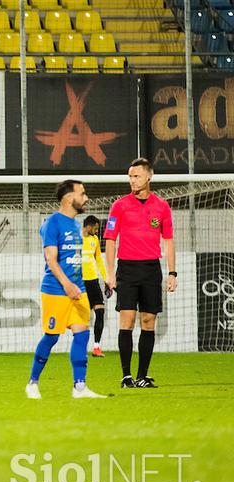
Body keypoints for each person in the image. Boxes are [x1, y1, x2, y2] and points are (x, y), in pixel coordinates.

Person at [26, 179, 105, 399]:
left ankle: (80, 387)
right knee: (51, 337)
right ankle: (32, 383)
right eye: (82, 193)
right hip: (56, 290)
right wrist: (67, 284)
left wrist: (77, 285)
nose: (86, 198)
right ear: (70, 198)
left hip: (77, 291)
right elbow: (51, 260)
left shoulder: (75, 225)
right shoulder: (52, 224)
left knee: (82, 335)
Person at [103, 157, 176, 389]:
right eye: (130, 176)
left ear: (148, 176)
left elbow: (169, 241)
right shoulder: (119, 205)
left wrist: (172, 272)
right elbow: (110, 240)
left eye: (136, 176)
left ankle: (143, 375)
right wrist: (110, 273)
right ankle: (126, 376)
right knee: (127, 319)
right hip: (127, 269)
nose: (132, 181)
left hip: (151, 269)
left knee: (148, 321)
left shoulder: (162, 207)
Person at [81, 215, 111, 358]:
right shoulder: (76, 239)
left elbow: (98, 260)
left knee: (100, 311)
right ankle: (80, 347)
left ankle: (96, 347)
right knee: (82, 317)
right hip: (80, 283)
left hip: (93, 281)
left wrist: (106, 279)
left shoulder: (94, 240)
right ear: (89, 226)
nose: (97, 231)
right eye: (96, 228)